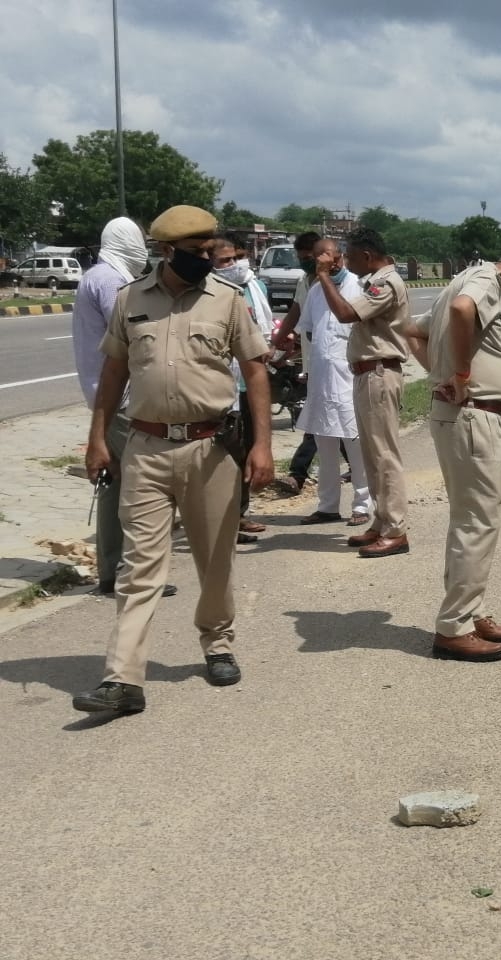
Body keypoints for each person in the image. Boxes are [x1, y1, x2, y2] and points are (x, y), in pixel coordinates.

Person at [72, 205, 274, 715]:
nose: (208, 259)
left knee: (214, 560)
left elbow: (254, 374)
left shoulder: (226, 301)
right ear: (167, 252)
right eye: (197, 253)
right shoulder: (129, 300)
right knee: (140, 567)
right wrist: (97, 439)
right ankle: (123, 678)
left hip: (210, 450)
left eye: (211, 252)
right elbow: (113, 375)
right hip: (144, 449)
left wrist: (263, 446)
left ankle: (217, 643)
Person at [406, 248, 501, 662]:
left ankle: (472, 613)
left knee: (470, 519)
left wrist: (442, 372)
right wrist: (461, 375)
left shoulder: (467, 279)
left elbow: (413, 331)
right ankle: (454, 627)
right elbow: (462, 308)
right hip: (472, 418)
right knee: (477, 521)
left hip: (467, 417)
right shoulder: (487, 281)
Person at [70, 217, 177, 600]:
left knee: (115, 486)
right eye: (138, 242)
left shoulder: (97, 276)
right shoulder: (111, 282)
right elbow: (138, 333)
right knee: (142, 486)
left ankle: (112, 571)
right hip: (122, 398)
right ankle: (137, 574)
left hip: (109, 397)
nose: (142, 251)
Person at [314, 226, 410, 558]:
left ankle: (396, 529)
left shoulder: (385, 283)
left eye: (351, 256)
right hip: (368, 374)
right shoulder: (374, 281)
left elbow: (344, 314)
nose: (347, 262)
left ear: (367, 256)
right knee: (371, 454)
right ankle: (381, 521)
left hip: (380, 373)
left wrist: (324, 276)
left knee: (384, 455)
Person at [293, 238, 371, 526]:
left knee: (356, 445)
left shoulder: (358, 287)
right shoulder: (315, 290)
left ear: (341, 258)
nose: (330, 263)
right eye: (321, 259)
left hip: (350, 378)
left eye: (333, 258)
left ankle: (363, 505)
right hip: (322, 380)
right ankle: (327, 506)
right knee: (325, 447)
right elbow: (311, 331)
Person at [210, 238, 274, 543]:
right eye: (224, 261)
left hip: (252, 381)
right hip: (225, 383)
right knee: (228, 453)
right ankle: (226, 517)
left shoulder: (255, 287)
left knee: (248, 448)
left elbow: (264, 328)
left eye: (236, 257)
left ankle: (240, 512)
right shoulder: (212, 295)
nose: (232, 264)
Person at [270, 231, 322, 497]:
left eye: (309, 258)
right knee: (325, 422)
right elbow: (296, 311)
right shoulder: (305, 281)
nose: (305, 262)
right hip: (314, 363)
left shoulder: (339, 283)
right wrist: (278, 341)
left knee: (319, 420)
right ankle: (355, 468)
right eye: (301, 258)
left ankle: (297, 474)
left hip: (337, 366)